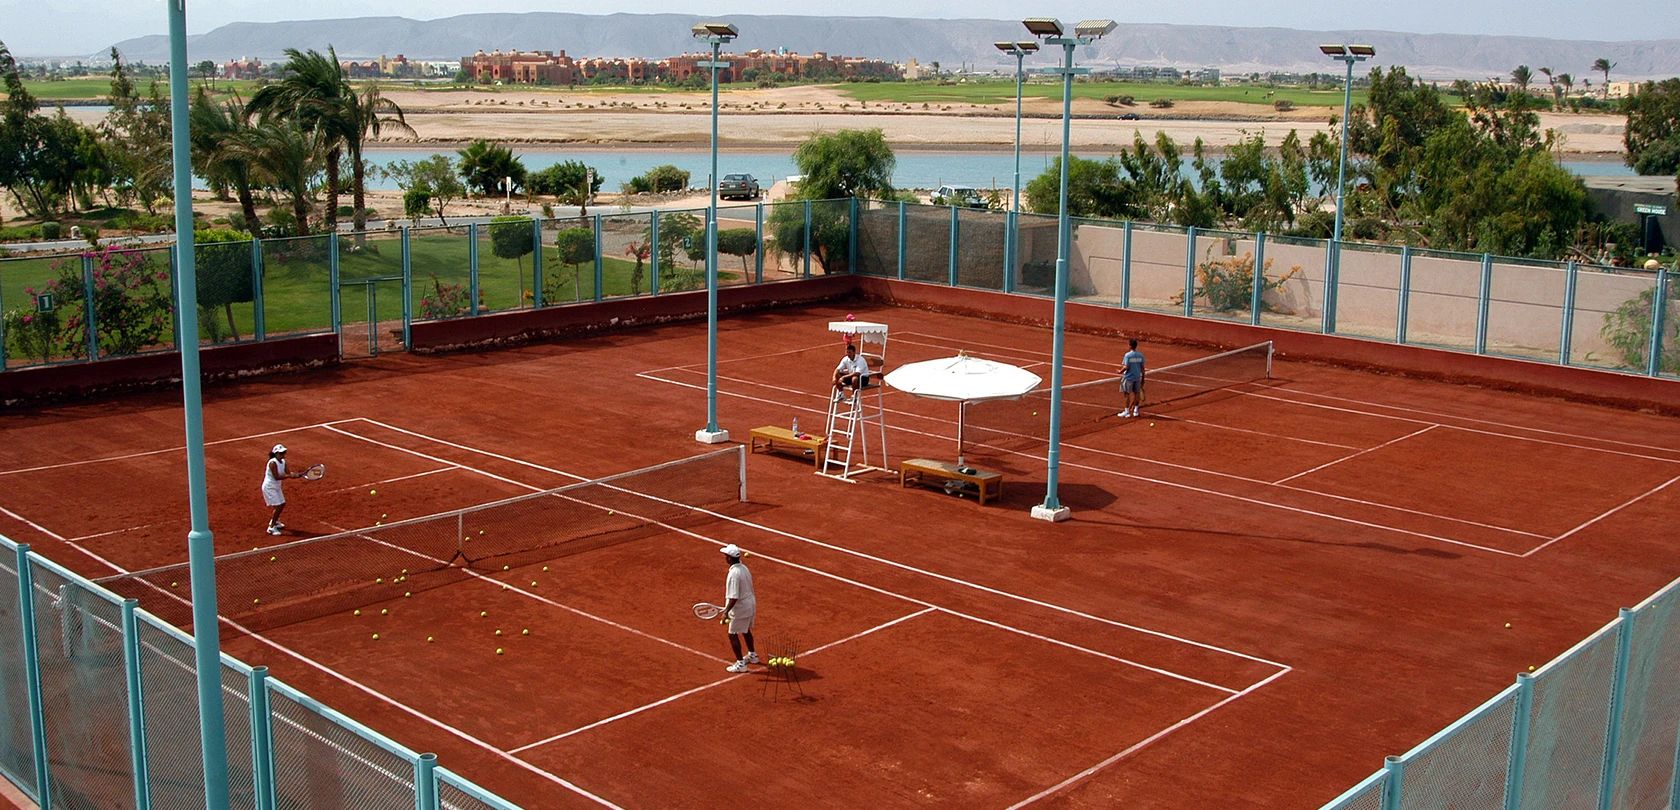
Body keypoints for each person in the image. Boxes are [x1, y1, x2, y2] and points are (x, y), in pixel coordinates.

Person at [718, 544, 758, 673]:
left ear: (729, 558)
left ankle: (741, 664)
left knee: (732, 635)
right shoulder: (744, 568)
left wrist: (726, 612)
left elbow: (733, 597)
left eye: (726, 556)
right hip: (750, 604)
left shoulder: (734, 574)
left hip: (741, 608)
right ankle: (752, 655)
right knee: (745, 630)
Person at [261, 444, 303, 536]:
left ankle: (276, 521)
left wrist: (295, 475)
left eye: (284, 453)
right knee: (278, 506)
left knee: (282, 504)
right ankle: (271, 527)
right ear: (275, 454)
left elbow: (288, 472)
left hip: (276, 487)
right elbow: (276, 477)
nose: (283, 455)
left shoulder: (283, 462)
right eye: (280, 453)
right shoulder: (272, 463)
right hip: (269, 487)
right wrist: (289, 476)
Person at [1119, 339, 1146, 418]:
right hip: (1137, 378)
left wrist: (1120, 371)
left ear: (1130, 346)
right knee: (1137, 394)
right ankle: (1135, 411)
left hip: (1128, 378)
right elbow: (1142, 368)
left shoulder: (1128, 355)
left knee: (1126, 394)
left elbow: (1126, 367)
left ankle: (1127, 412)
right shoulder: (1140, 355)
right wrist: (1143, 378)